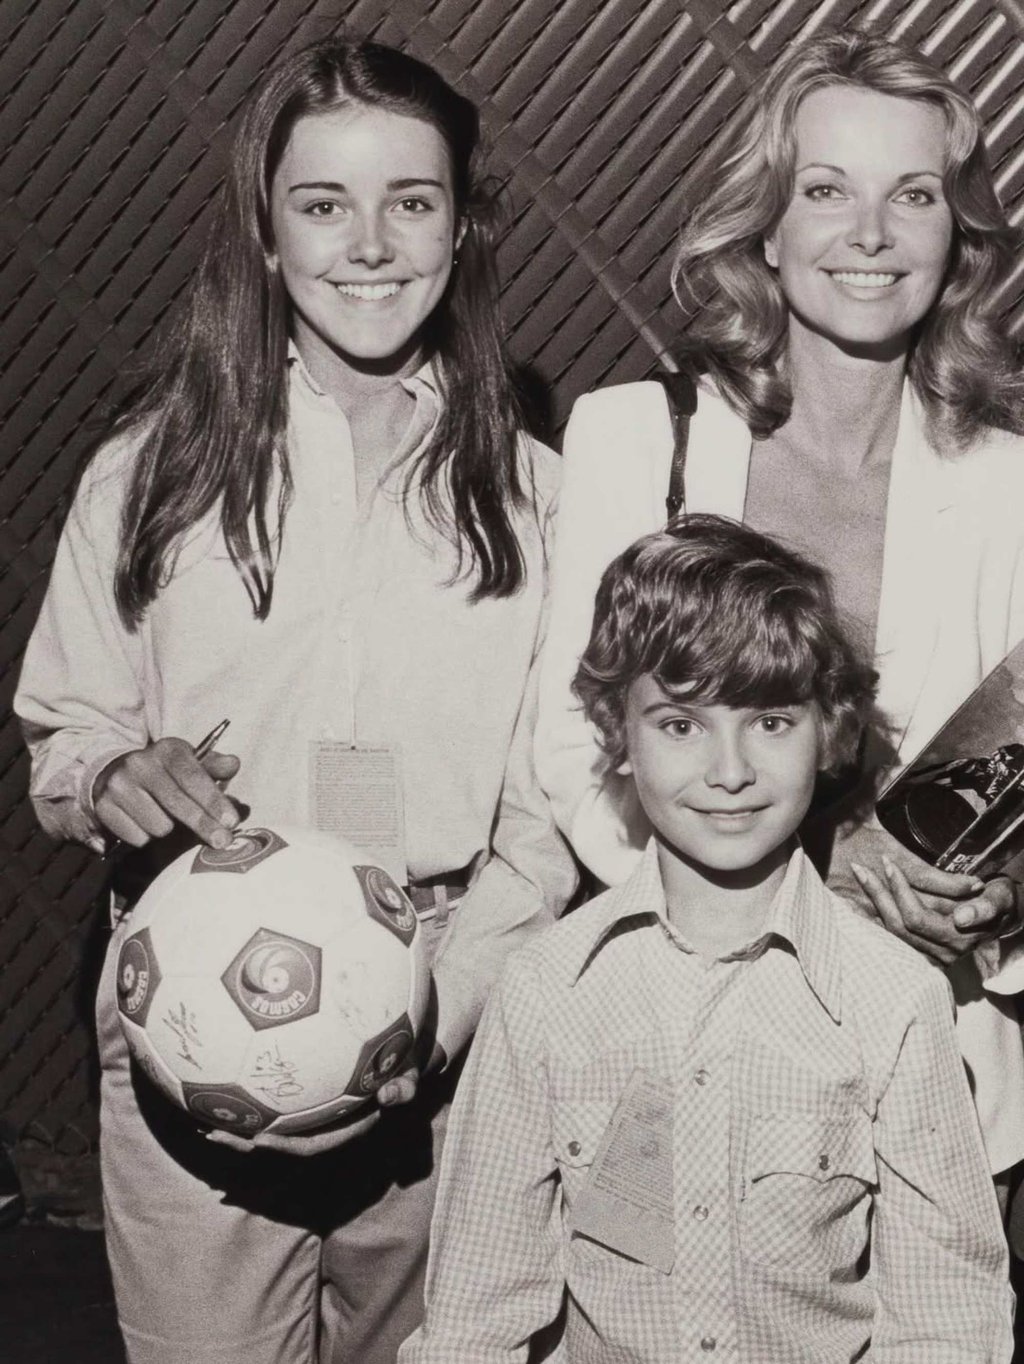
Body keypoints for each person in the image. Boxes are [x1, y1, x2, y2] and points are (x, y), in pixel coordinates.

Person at [16, 36, 575, 1364]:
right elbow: (64, 730)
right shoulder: (150, 474)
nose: (369, 244)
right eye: (323, 204)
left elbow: (549, 814)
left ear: (462, 228)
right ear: (266, 236)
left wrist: (437, 1010)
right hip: (195, 1011)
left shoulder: (541, 498)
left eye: (412, 201)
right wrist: (110, 776)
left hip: (449, 1017)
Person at [534, 26, 1024, 1180]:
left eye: (913, 194)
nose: (870, 233)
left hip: (939, 1081)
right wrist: (791, 878)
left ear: (956, 235)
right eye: (826, 189)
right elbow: (569, 750)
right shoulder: (636, 441)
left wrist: (996, 902)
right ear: (765, 223)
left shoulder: (1010, 483)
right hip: (678, 1049)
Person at [402, 514, 1013, 1364]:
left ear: (831, 731)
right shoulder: (544, 990)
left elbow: (946, 1318)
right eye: (682, 725)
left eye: (770, 722)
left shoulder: (893, 998)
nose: (730, 772)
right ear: (617, 733)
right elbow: (476, 1320)